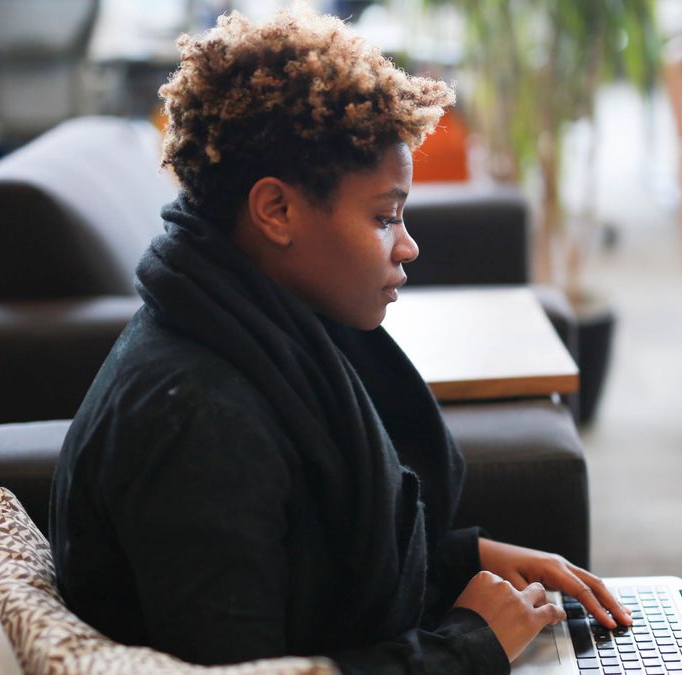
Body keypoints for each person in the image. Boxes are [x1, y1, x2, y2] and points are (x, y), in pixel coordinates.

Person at [49, 5, 630, 673]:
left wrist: (463, 558)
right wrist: (470, 642)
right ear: (276, 210)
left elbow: (304, 560)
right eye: (385, 217)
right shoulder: (198, 424)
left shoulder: (255, 325)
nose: (408, 245)